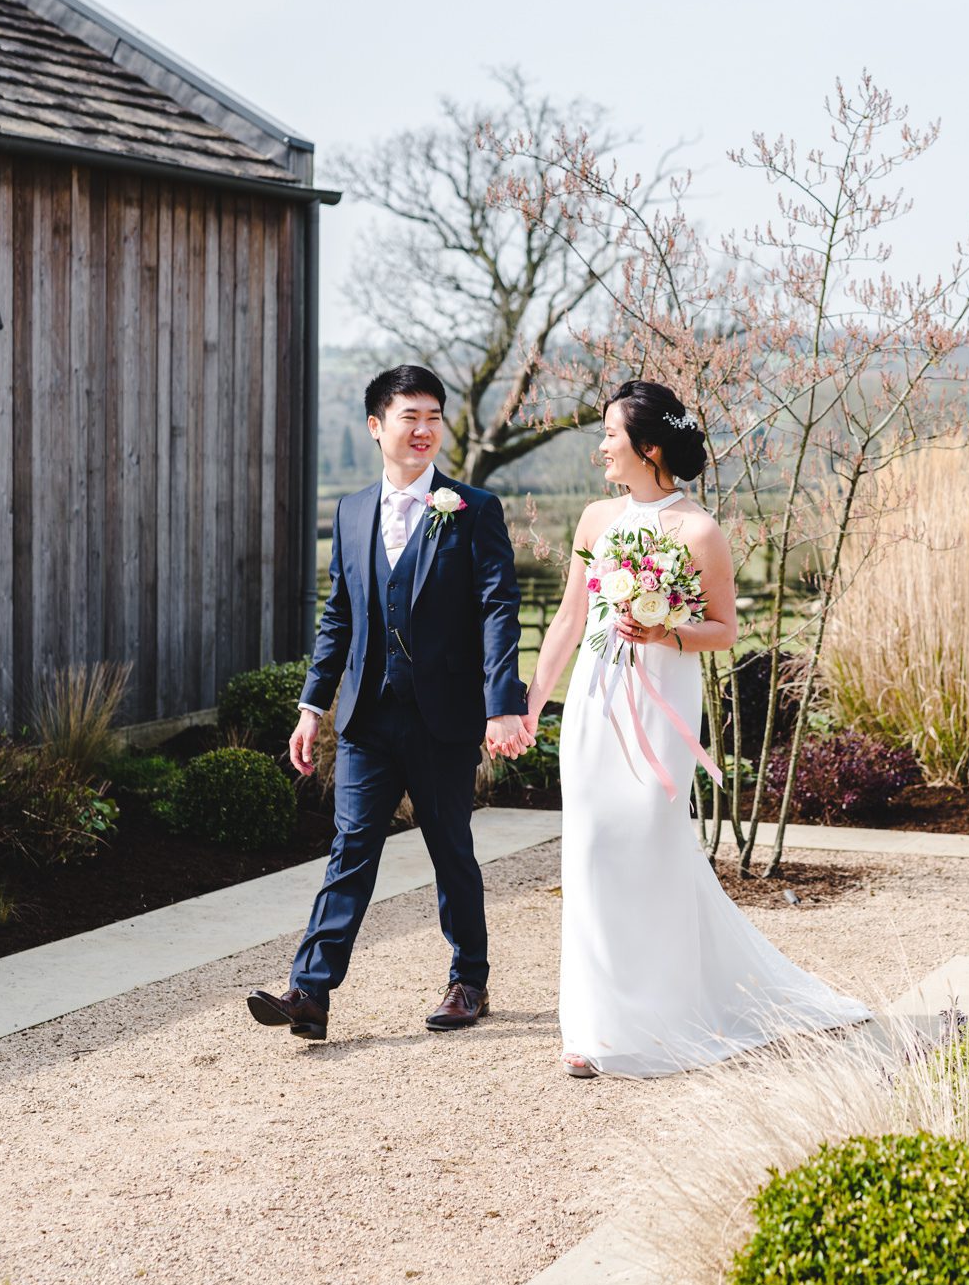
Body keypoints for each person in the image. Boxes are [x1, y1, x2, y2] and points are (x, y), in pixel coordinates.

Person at [524, 380, 870, 1078]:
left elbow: (723, 630)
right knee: (589, 854)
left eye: (611, 436)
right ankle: (592, 1026)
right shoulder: (595, 521)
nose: (601, 448)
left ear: (649, 447)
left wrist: (664, 630)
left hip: (662, 711)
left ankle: (666, 1011)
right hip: (597, 705)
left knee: (652, 846)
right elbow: (568, 620)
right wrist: (531, 706)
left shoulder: (699, 530)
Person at [246, 365, 531, 1042]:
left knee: (450, 847)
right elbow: (338, 617)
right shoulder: (348, 512)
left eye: (434, 414)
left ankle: (469, 978)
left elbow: (498, 610)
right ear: (377, 427)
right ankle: (309, 992)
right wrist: (312, 708)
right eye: (411, 415)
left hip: (445, 718)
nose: (425, 427)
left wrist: (500, 703)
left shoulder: (474, 510)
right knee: (350, 846)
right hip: (368, 718)